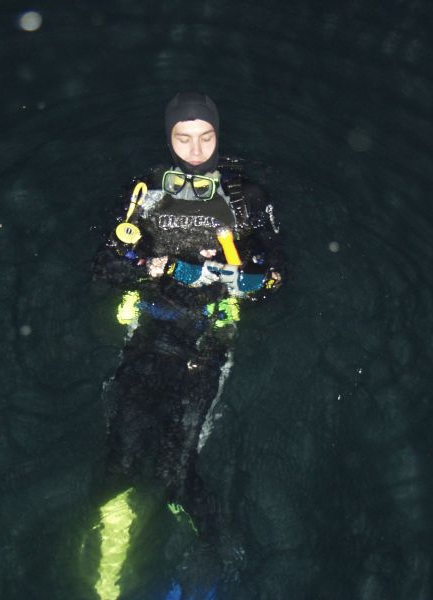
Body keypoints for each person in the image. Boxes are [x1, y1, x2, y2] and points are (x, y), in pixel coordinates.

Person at [89, 92, 285, 599]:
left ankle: (211, 570)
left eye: (206, 137)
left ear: (219, 135)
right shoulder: (146, 193)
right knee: (121, 461)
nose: (196, 150)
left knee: (175, 469)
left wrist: (236, 276)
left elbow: (275, 278)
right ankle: (107, 576)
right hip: (150, 328)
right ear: (168, 139)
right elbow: (104, 266)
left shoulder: (246, 199)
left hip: (209, 336)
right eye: (183, 138)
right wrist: (153, 266)